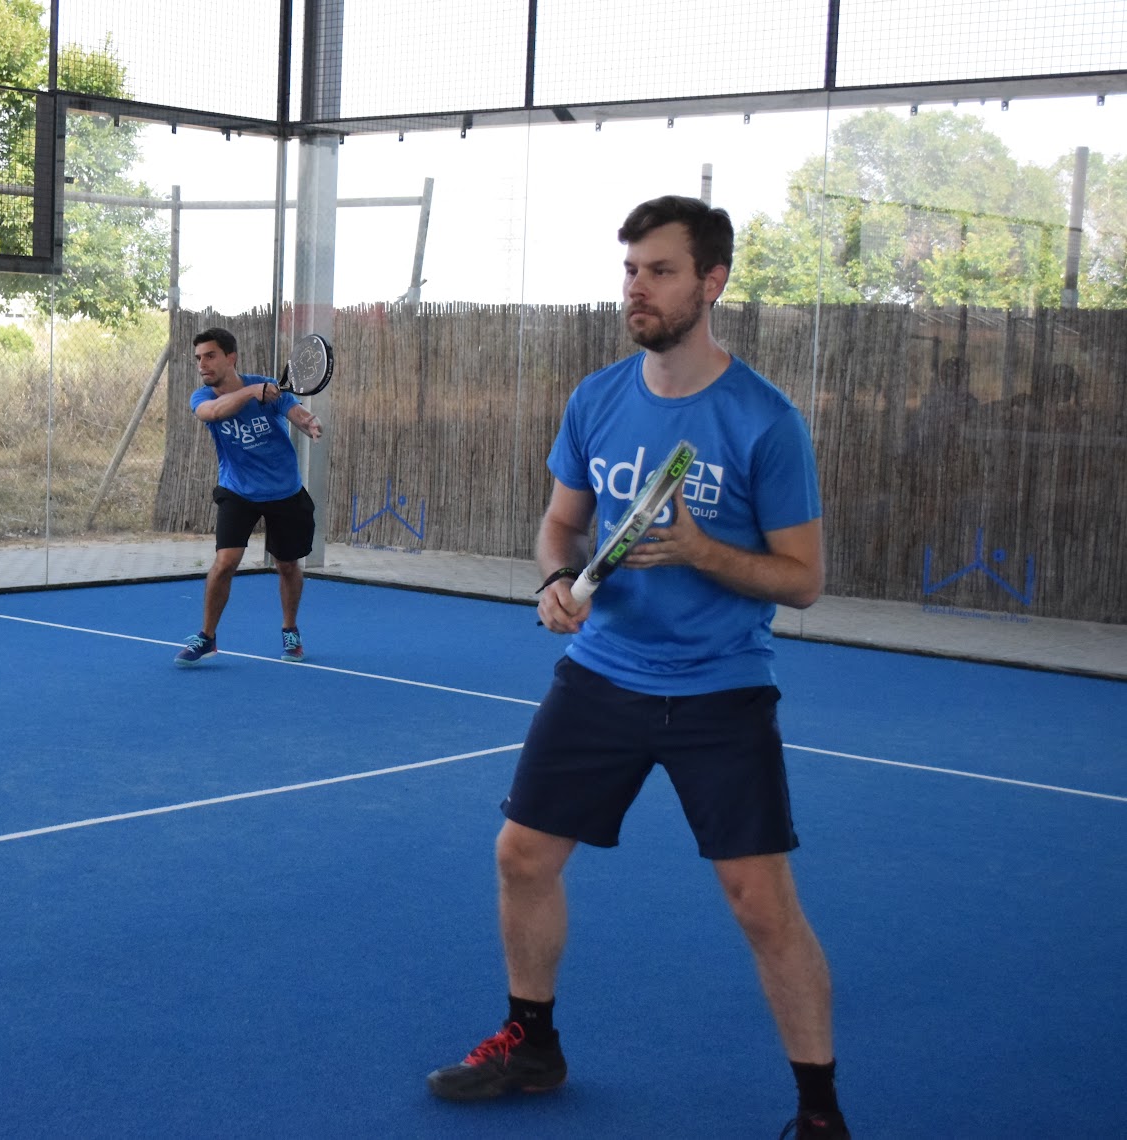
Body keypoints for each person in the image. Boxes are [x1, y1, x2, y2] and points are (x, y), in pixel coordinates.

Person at [424, 197, 848, 1140]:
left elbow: (804, 581)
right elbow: (560, 523)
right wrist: (555, 581)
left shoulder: (765, 422)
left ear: (712, 282)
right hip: (602, 673)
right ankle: (532, 1046)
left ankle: (820, 1112)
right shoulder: (598, 399)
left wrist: (701, 550)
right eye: (629, 271)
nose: (637, 289)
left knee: (761, 904)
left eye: (659, 271)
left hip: (720, 687)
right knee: (522, 854)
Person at [174, 326, 323, 666]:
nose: (202, 364)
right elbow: (214, 413)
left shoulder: (269, 388)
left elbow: (295, 412)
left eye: (210, 356)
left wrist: (308, 422)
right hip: (237, 489)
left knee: (287, 565)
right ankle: (207, 637)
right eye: (198, 358)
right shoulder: (203, 397)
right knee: (225, 562)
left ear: (231, 358)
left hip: (284, 489)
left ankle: (290, 630)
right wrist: (252, 392)